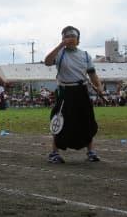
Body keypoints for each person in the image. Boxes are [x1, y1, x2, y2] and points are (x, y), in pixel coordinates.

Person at [44, 26, 103, 163]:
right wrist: (60, 45)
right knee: (58, 120)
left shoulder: (85, 55)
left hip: (82, 90)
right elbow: (47, 62)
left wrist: (99, 86)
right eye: (66, 36)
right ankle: (54, 153)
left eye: (73, 36)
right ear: (63, 38)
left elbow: (92, 74)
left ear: (78, 40)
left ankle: (91, 152)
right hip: (65, 91)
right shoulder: (59, 53)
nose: (70, 38)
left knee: (87, 120)